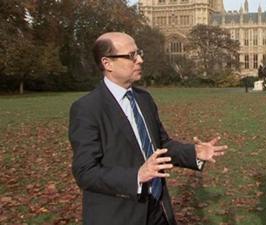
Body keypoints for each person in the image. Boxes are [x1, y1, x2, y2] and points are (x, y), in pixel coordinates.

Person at [69, 32, 227, 225]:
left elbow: (161, 145)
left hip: (158, 210)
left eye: (139, 53)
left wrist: (194, 153)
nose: (140, 60)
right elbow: (85, 172)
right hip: (119, 215)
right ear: (107, 63)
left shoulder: (144, 99)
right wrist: (136, 176)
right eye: (131, 56)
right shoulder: (87, 109)